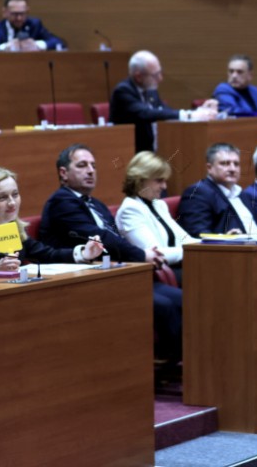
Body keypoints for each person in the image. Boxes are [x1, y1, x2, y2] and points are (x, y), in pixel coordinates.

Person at [39, 143, 183, 373]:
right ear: (63, 173)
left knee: (180, 298)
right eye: (82, 165)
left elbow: (116, 239)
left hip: (116, 273)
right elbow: (102, 237)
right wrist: (141, 254)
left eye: (94, 166)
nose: (90, 171)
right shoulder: (61, 202)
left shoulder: (96, 204)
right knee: (164, 305)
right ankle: (162, 367)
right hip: (82, 281)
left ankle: (178, 363)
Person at [0, 167, 102, 280]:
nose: (12, 203)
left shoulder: (11, 228)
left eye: (15, 195)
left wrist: (83, 253)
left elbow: (47, 254)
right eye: (2, 198)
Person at [115, 152, 198, 287]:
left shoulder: (158, 204)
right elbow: (157, 254)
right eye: (159, 180)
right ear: (140, 179)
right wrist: (194, 250)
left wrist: (212, 245)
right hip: (156, 276)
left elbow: (184, 239)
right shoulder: (129, 210)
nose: (164, 186)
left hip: (178, 267)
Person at [110, 50, 217, 152]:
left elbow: (164, 112)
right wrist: (188, 115)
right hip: (133, 153)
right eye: (155, 75)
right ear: (138, 77)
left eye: (160, 73)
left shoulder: (149, 89)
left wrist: (196, 112)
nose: (160, 78)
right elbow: (146, 113)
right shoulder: (123, 91)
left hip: (156, 148)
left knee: (183, 152)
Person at [178, 143, 257, 236]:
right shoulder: (197, 193)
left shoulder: (241, 193)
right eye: (225, 163)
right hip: (230, 249)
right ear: (209, 168)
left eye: (236, 164)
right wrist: (225, 238)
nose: (232, 169)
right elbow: (198, 233)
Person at [0, 0, 64, 52]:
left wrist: (37, 45)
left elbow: (58, 42)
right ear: (5, 12)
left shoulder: (35, 25)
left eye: (22, 14)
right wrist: (4, 48)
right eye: (15, 14)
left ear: (27, 11)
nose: (19, 18)